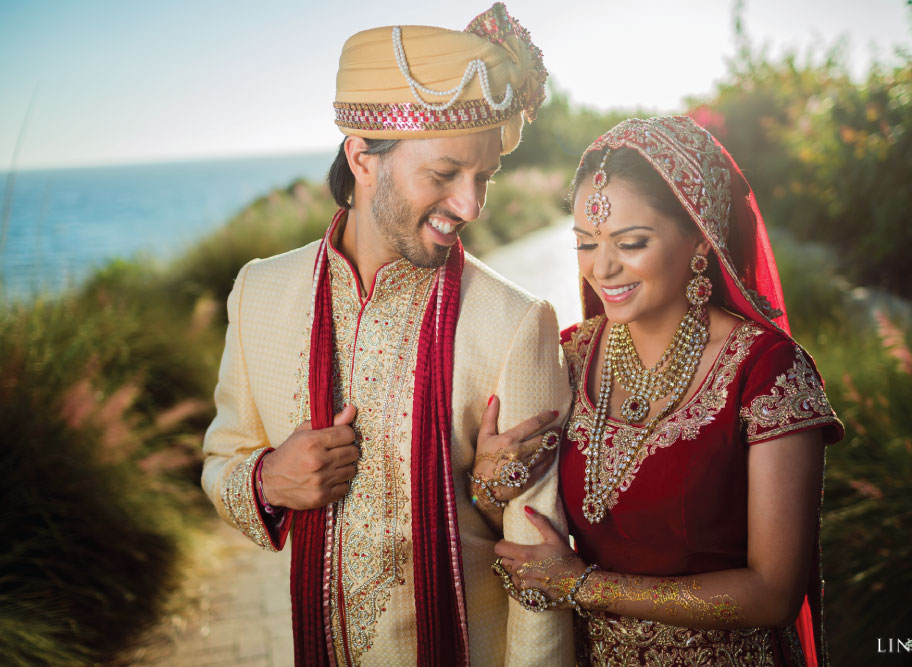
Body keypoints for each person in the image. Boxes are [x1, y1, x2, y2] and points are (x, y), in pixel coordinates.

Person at [200, 4, 575, 665]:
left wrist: (488, 493)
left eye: (483, 177)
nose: (470, 204)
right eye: (445, 173)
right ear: (361, 156)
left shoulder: (517, 321)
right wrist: (267, 481)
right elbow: (220, 463)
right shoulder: (259, 293)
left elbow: (538, 567)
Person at [488, 116, 845, 666]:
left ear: (698, 239)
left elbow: (774, 592)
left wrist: (585, 587)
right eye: (585, 242)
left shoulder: (766, 372)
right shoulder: (570, 357)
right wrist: (489, 481)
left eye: (630, 243)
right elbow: (516, 521)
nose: (601, 268)